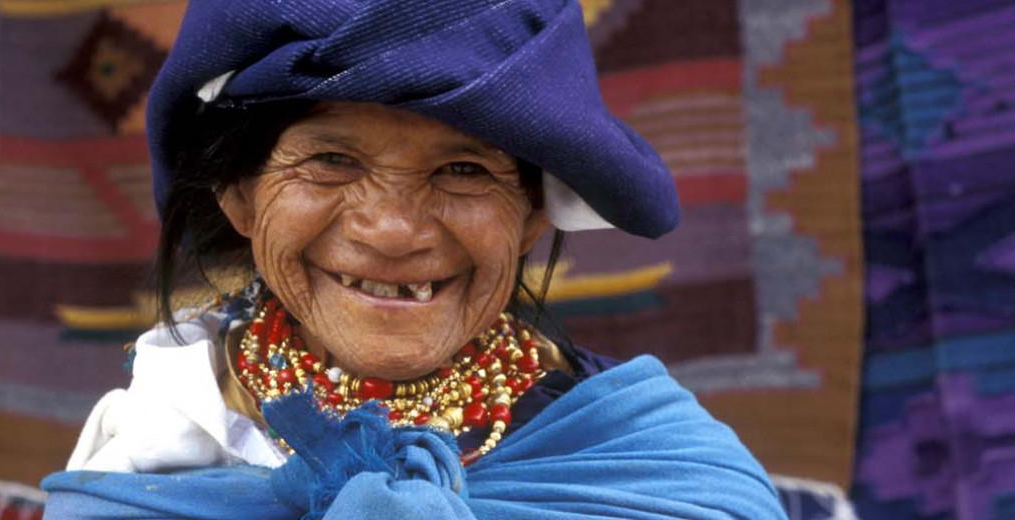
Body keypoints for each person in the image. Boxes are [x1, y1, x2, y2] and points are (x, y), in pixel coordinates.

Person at [42, 0, 786, 518]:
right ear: (236, 194)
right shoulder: (159, 442)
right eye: (330, 159)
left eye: (462, 170)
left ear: (531, 211)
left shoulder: (664, 480)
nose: (394, 230)